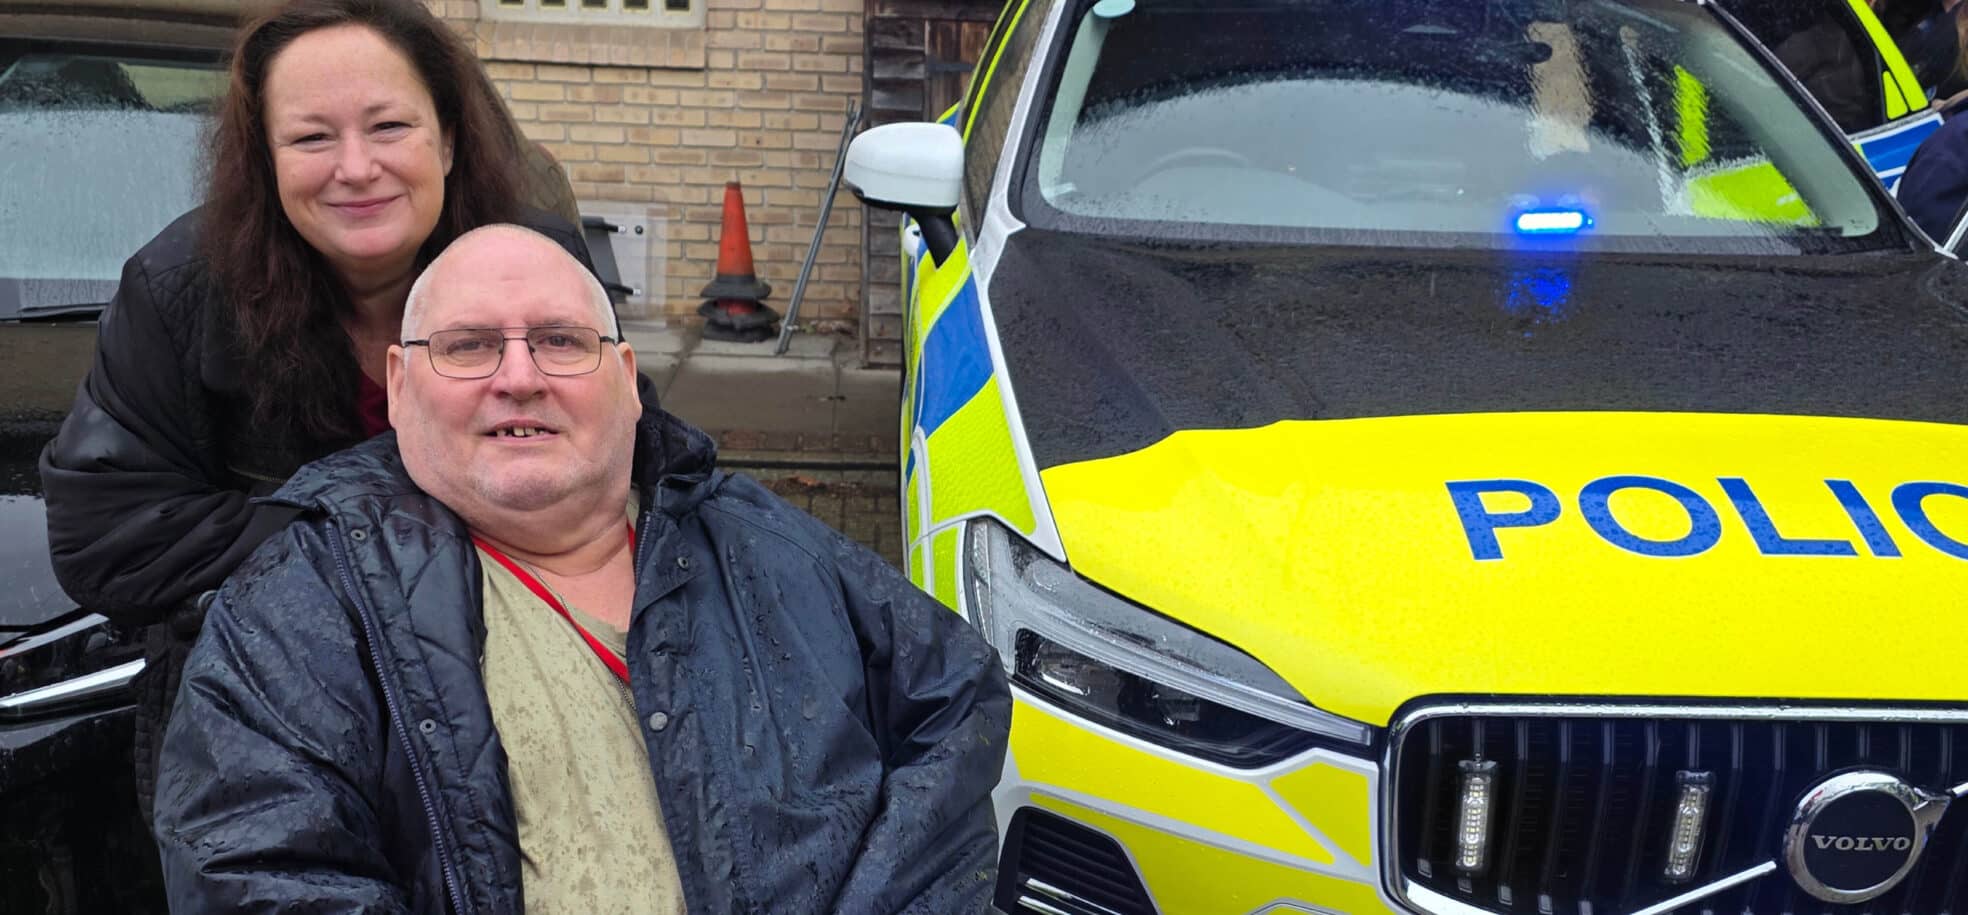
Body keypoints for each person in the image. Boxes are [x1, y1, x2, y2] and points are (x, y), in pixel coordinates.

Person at [151, 224, 1013, 914]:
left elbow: (956, 704)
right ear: (401, 381)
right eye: (469, 345)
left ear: (628, 380)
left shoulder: (770, 550)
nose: (519, 377)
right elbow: (255, 869)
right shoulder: (301, 608)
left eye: (562, 341)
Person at [36, 0, 593, 821]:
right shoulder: (180, 290)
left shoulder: (538, 263)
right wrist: (408, 536)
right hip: (263, 740)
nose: (357, 167)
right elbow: (108, 540)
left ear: (446, 137)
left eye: (389, 127)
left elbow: (623, 474)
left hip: (518, 729)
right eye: (311, 138)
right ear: (265, 159)